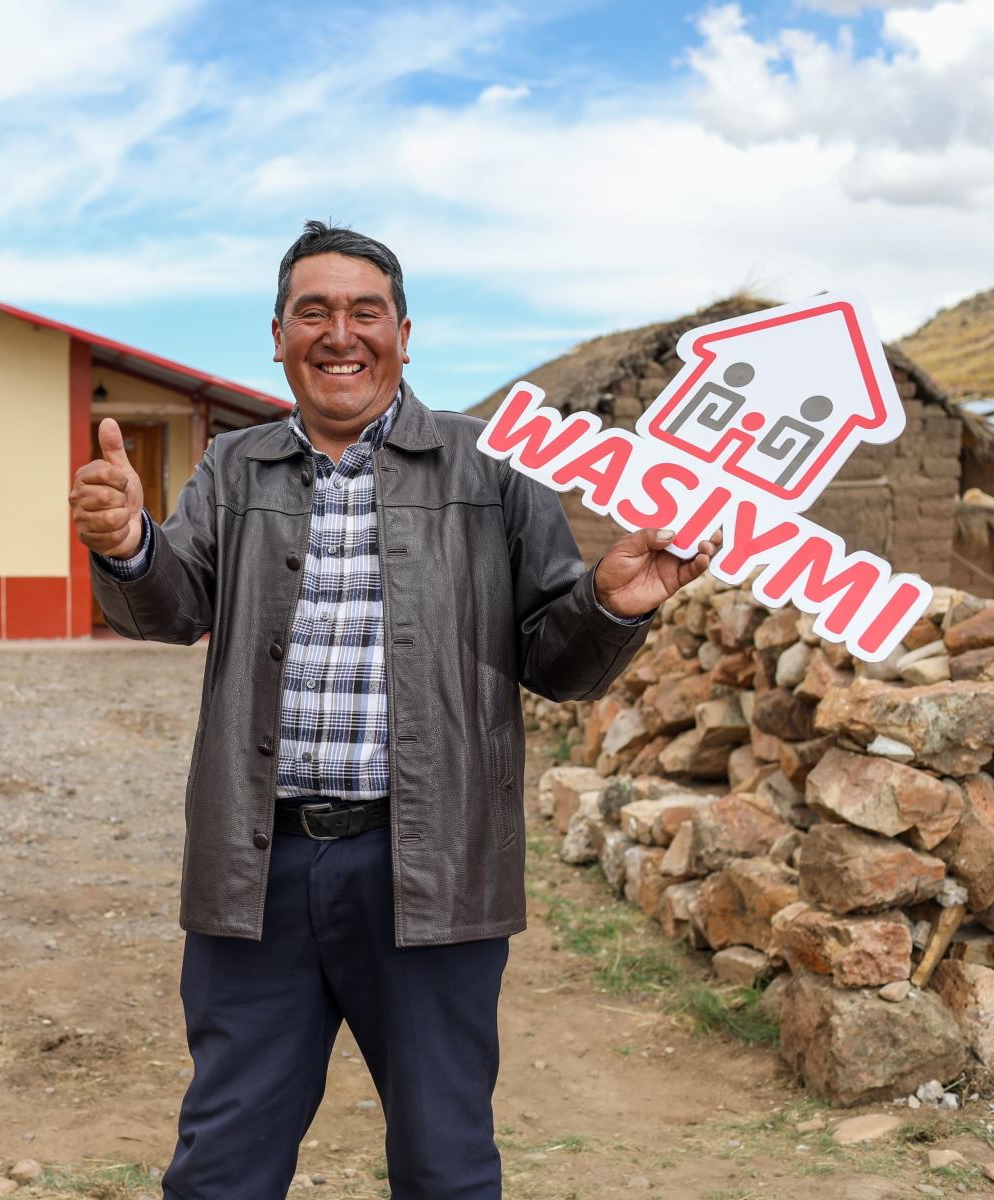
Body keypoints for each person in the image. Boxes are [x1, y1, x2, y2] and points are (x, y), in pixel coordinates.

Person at [68, 221, 715, 1200]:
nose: (340, 333)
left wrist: (609, 604)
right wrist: (127, 545)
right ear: (278, 336)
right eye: (313, 312)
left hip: (435, 870)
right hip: (258, 872)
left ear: (405, 335)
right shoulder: (235, 471)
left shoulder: (489, 469)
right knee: (220, 1170)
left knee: (445, 1168)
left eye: (365, 312)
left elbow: (553, 656)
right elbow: (173, 606)